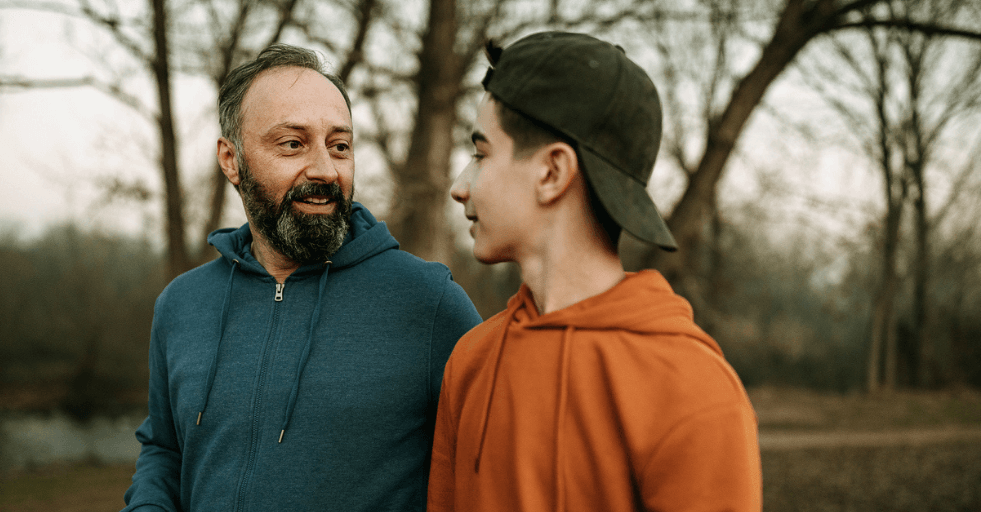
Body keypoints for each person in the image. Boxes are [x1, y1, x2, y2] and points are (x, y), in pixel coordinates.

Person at [122, 44, 482, 512]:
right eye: (292, 144)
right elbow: (164, 450)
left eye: (340, 146)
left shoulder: (428, 302)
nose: (323, 169)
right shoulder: (181, 304)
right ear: (231, 160)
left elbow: (489, 470)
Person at [428, 32, 762, 511]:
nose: (461, 186)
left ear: (552, 173)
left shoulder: (694, 392)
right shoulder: (471, 362)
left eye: (481, 154)